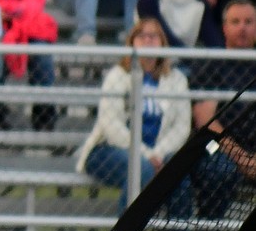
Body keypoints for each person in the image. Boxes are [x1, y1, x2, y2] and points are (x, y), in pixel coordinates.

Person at [75, 18, 192, 214]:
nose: (147, 40)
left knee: (177, 171)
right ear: (132, 42)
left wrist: (158, 154)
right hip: (110, 149)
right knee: (141, 169)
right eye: (141, 35)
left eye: (153, 36)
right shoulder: (118, 75)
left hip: (159, 153)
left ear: (163, 43)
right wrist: (147, 155)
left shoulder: (176, 79)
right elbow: (111, 126)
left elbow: (182, 126)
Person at [188, 0, 256, 218]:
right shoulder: (211, 62)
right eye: (235, 22)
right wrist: (243, 158)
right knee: (220, 170)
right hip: (217, 147)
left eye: (249, 21)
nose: (242, 28)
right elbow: (206, 121)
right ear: (224, 27)